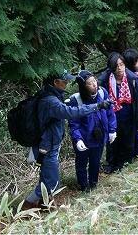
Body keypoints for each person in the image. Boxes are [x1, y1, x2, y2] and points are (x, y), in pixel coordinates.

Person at [21, 70, 112, 210]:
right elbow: (71, 113)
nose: (67, 83)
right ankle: (28, 204)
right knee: (53, 181)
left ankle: (45, 202)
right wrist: (96, 106)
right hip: (47, 147)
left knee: (46, 176)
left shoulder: (50, 95)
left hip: (48, 144)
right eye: (64, 81)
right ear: (55, 82)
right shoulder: (51, 101)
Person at [68, 70, 117, 192]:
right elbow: (74, 123)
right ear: (83, 86)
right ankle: (84, 186)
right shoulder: (76, 100)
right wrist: (78, 139)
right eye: (90, 83)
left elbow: (110, 113)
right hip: (84, 138)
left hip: (99, 136)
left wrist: (112, 130)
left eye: (94, 81)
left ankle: (94, 184)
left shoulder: (102, 92)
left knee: (95, 161)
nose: (94, 84)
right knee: (82, 162)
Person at [98, 52, 138, 173]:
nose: (119, 68)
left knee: (127, 142)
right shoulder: (106, 81)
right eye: (116, 65)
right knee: (112, 142)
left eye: (121, 64)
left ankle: (122, 164)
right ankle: (111, 163)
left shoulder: (132, 80)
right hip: (112, 118)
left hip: (128, 117)